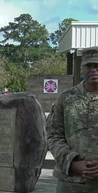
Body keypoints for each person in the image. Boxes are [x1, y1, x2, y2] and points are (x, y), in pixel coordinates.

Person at [47, 48, 98, 193]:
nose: (93, 69)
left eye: (97, 65)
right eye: (89, 66)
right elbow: (53, 135)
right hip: (71, 183)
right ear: (82, 68)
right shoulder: (66, 98)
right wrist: (72, 162)